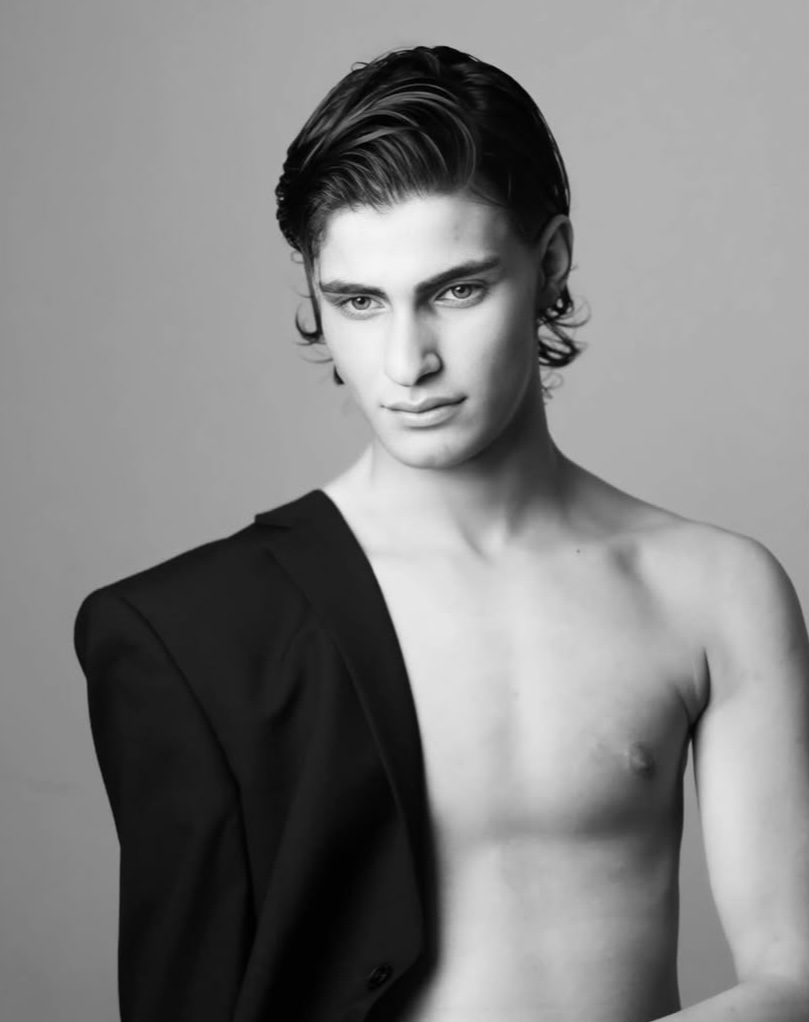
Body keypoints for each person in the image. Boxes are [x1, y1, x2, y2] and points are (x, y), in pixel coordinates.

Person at [73, 44, 809, 1022]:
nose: (406, 360)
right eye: (358, 301)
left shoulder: (712, 592)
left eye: (455, 290)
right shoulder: (197, 630)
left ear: (550, 264)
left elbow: (795, 975)